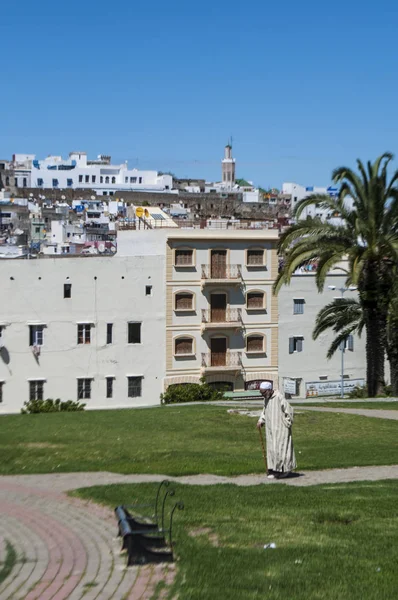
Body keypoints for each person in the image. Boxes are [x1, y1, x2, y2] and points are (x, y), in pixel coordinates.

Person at [256, 381, 297, 479]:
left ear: (269, 390)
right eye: (261, 393)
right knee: (272, 450)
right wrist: (261, 421)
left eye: (264, 392)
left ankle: (283, 470)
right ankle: (273, 469)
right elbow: (264, 411)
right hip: (271, 429)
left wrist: (287, 423)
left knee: (281, 449)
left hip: (281, 429)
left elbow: (289, 410)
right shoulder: (266, 399)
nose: (263, 394)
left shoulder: (279, 397)